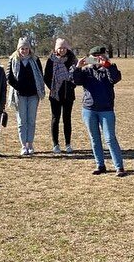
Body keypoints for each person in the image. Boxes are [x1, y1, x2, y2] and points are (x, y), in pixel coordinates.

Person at [72, 46, 126, 177]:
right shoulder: (86, 70)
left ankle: (119, 167)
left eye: (99, 55)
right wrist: (77, 68)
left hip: (106, 109)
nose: (97, 58)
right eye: (93, 56)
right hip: (89, 108)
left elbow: (115, 79)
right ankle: (100, 165)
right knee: (94, 138)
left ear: (105, 55)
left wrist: (107, 66)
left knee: (110, 138)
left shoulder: (109, 68)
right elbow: (75, 81)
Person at [7, 37, 45, 156]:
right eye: (22, 48)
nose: (24, 51)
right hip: (20, 95)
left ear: (30, 49)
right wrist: (18, 87)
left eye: (26, 48)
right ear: (18, 49)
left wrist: (37, 88)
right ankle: (23, 145)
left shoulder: (35, 60)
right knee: (22, 121)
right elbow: (9, 77)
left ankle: (30, 144)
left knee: (31, 121)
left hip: (33, 94)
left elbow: (40, 74)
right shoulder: (13, 60)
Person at [44, 38, 77, 154]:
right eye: (59, 47)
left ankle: (68, 144)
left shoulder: (72, 60)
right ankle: (55, 144)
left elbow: (77, 75)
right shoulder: (51, 60)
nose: (62, 50)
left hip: (69, 94)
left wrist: (72, 85)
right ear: (56, 49)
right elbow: (46, 77)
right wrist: (53, 88)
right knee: (55, 119)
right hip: (55, 95)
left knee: (67, 119)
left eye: (64, 47)